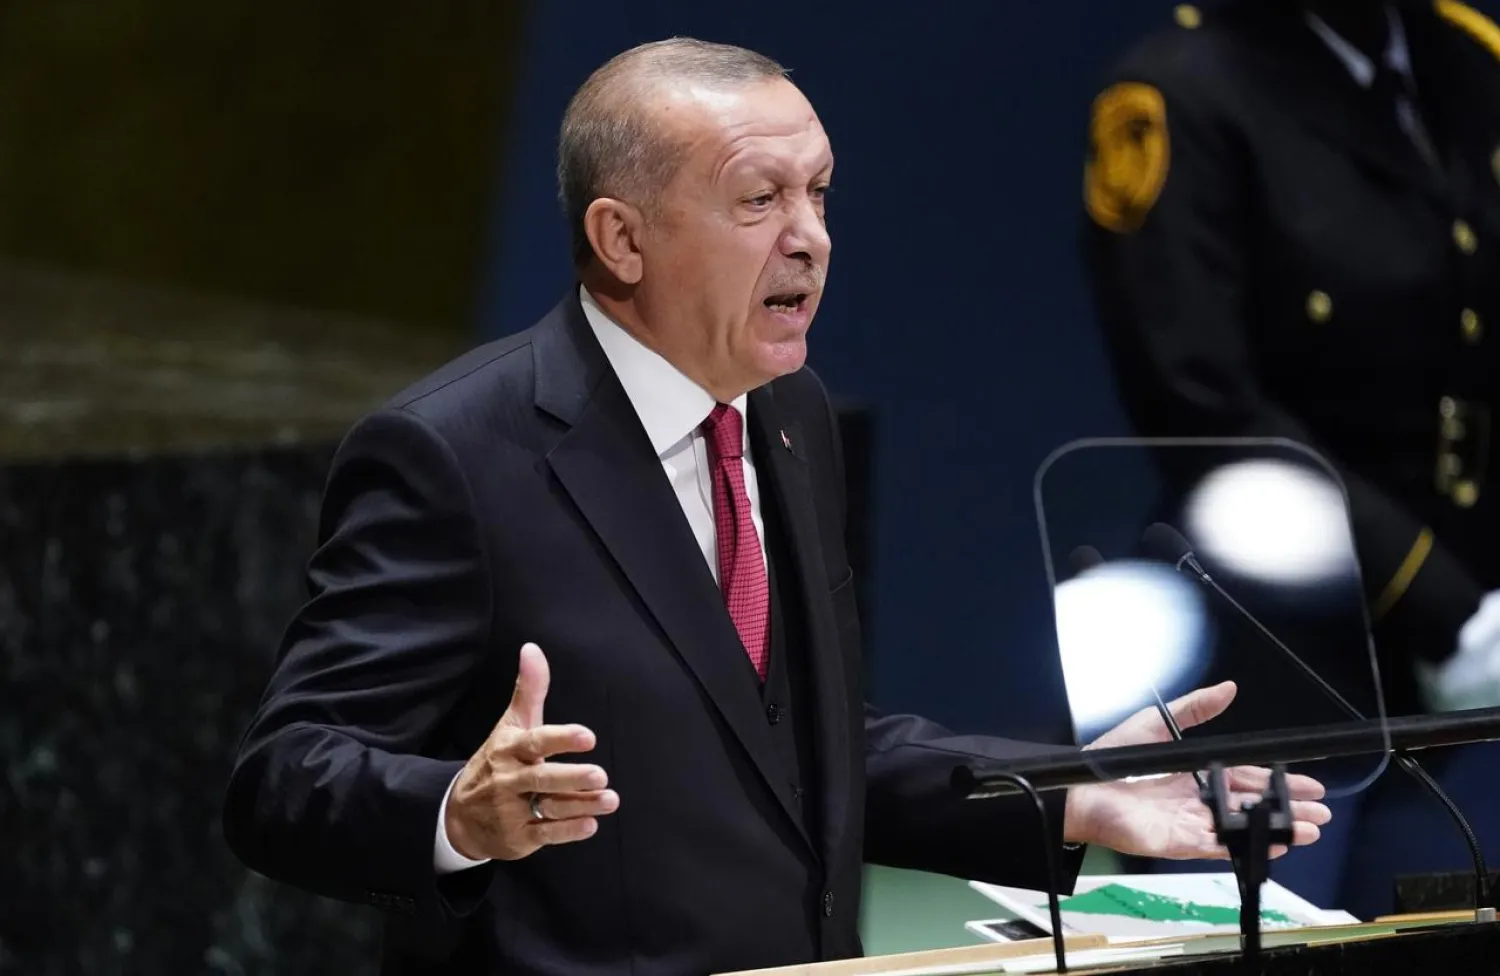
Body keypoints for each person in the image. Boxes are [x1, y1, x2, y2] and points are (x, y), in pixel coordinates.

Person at [223, 38, 1329, 975]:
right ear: (623, 239)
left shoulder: (788, 416)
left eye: (820, 190)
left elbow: (797, 749)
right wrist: (455, 815)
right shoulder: (455, 453)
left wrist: (1065, 794)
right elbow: (283, 776)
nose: (811, 235)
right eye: (759, 200)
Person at [1081, 0, 1500, 918]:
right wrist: (1443, 607)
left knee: (1448, 934)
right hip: (1277, 641)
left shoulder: (1470, 58)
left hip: (1478, 624)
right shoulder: (1179, 91)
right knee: (1251, 937)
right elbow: (1201, 403)